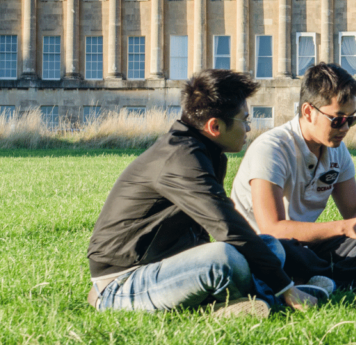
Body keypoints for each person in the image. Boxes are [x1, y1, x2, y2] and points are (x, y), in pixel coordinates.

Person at [86, 70, 316, 317]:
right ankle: (275, 298)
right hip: (122, 281)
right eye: (245, 119)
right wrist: (286, 287)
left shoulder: (206, 152)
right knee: (223, 258)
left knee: (271, 246)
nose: (249, 128)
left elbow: (207, 231)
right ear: (215, 126)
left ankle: (235, 302)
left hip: (166, 266)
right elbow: (227, 227)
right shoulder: (180, 160)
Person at [231, 63, 356, 289]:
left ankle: (321, 278)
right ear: (308, 112)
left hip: (309, 245)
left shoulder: (337, 149)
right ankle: (354, 276)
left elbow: (354, 210)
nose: (345, 128)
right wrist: (344, 228)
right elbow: (272, 229)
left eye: (351, 119)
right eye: (337, 119)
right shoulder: (272, 148)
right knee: (284, 250)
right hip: (268, 248)